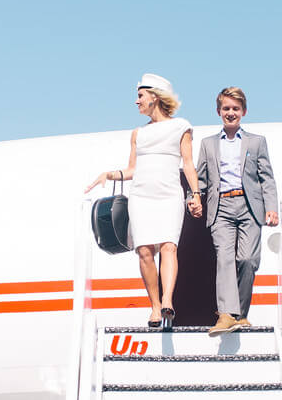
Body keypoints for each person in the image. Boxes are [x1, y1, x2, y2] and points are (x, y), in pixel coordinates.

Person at [86, 74, 203, 330]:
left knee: (169, 247)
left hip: (169, 194)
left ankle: (167, 301)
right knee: (145, 251)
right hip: (141, 196)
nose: (136, 101)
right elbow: (132, 170)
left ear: (155, 96)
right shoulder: (138, 133)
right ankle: (153, 305)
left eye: (140, 95)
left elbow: (188, 164)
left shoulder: (181, 126)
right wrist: (109, 174)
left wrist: (195, 194)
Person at [195, 86, 279, 337]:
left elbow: (267, 178)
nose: (230, 113)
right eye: (226, 109)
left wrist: (271, 208)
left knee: (248, 260)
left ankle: (240, 315)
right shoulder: (208, 144)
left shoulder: (256, 142)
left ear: (243, 111)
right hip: (221, 206)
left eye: (235, 109)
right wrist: (194, 198)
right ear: (218, 111)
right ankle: (225, 314)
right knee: (225, 258)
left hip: (249, 207)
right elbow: (201, 179)